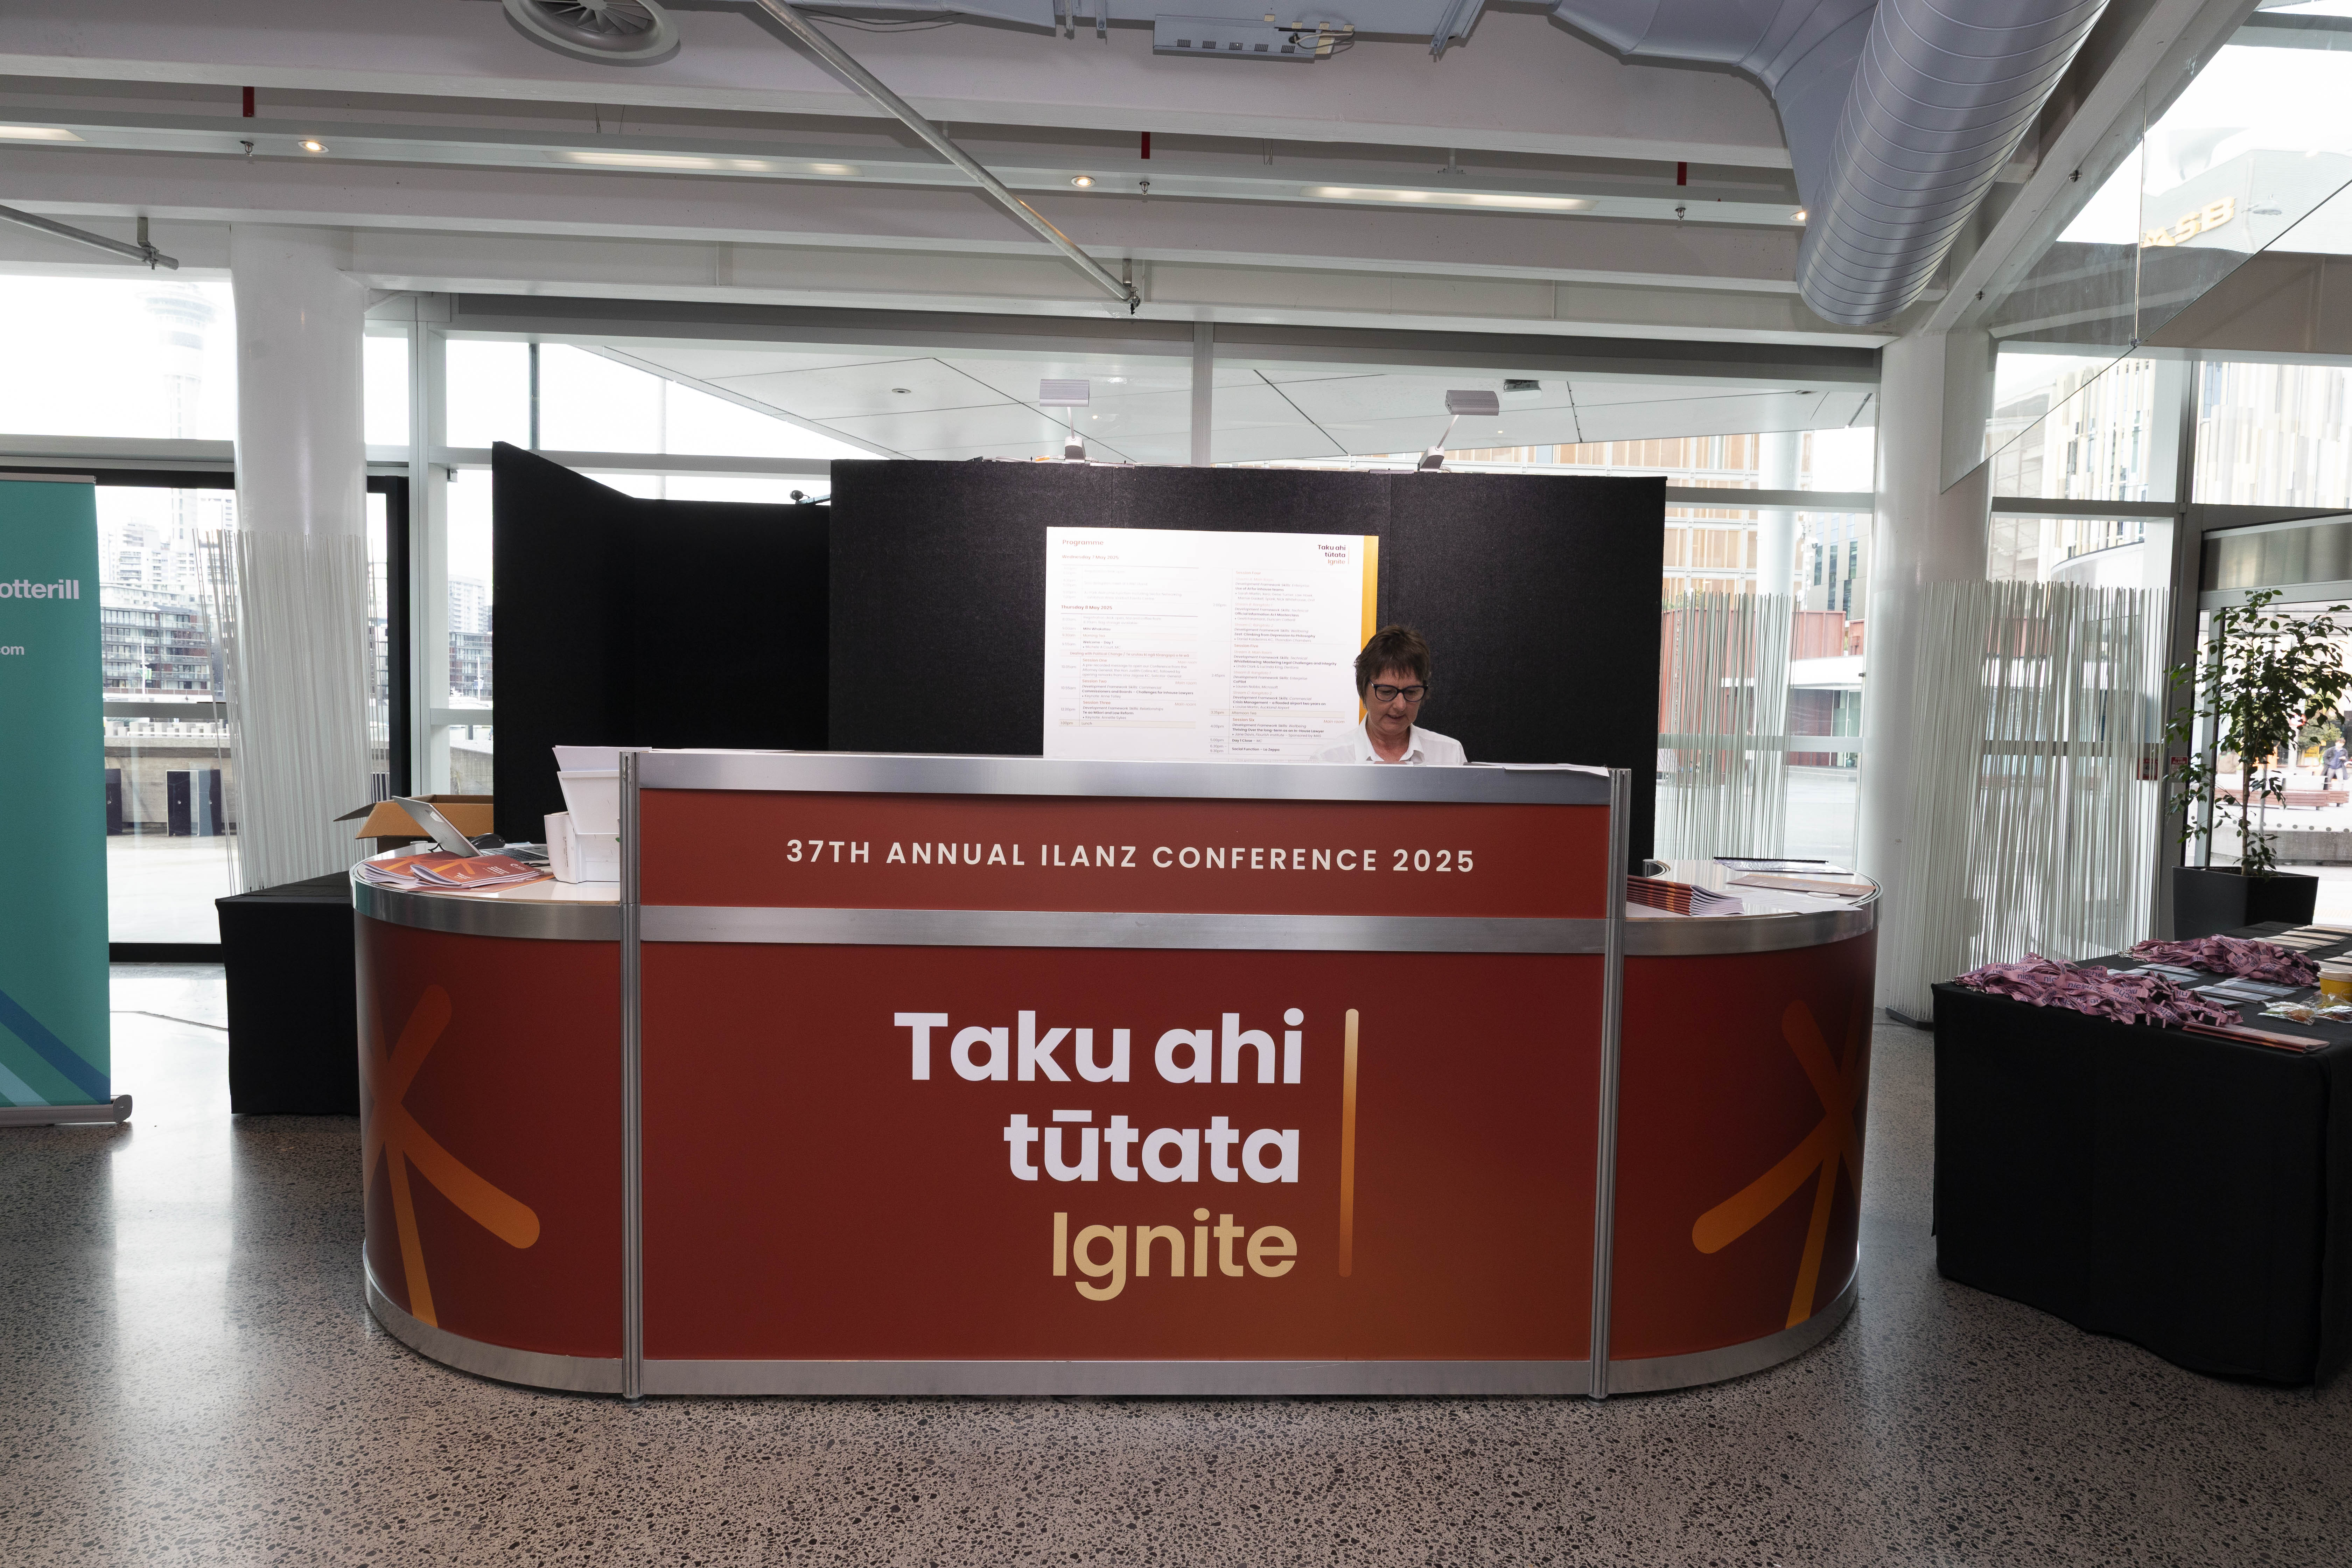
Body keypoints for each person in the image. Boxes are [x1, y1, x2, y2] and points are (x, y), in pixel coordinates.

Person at [1314, 625, 1467, 765]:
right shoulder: (1328, 761)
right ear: (1363, 689)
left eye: (1412, 692)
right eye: (1387, 692)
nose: (1401, 706)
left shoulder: (1450, 755)